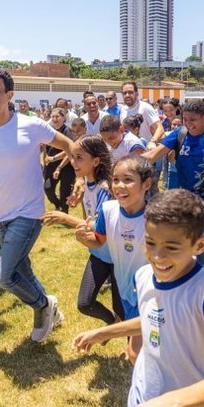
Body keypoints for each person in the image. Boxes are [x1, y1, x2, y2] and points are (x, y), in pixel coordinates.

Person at [72, 189, 204, 407]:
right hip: (144, 402)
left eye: (171, 247)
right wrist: (104, 332)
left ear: (200, 245)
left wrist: (171, 401)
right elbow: (154, 316)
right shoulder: (143, 276)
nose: (157, 256)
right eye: (150, 243)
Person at [0, 68, 74, 343]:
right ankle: (50, 305)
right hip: (2, 214)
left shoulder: (31, 125)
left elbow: (70, 145)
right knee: (21, 269)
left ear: (9, 95)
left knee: (2, 275)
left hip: (30, 212)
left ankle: (42, 306)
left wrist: (82, 180)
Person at [76, 155, 153, 362]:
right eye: (116, 179)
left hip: (149, 293)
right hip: (124, 288)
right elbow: (99, 241)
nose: (119, 186)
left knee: (139, 354)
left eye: (128, 179)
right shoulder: (108, 210)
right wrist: (85, 239)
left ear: (146, 184)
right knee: (135, 349)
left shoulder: (155, 218)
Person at [42, 136, 123, 324]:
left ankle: (130, 348)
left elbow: (100, 226)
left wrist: (65, 218)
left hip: (117, 257)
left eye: (79, 157)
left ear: (96, 161)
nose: (73, 162)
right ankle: (112, 324)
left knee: (123, 308)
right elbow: (90, 217)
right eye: (72, 156)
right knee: (85, 304)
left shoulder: (106, 188)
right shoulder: (87, 182)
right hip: (98, 253)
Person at [144, 100, 204, 272]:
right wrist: (125, 162)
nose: (189, 124)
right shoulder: (179, 134)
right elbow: (153, 155)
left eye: (193, 120)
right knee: (187, 235)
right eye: (185, 120)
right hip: (186, 197)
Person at [43, 107, 75, 213]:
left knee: (64, 191)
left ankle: (64, 212)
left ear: (63, 117)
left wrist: (57, 165)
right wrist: (46, 162)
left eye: (57, 116)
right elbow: (45, 148)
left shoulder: (68, 131)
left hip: (66, 166)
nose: (54, 119)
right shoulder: (49, 131)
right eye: (52, 116)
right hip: (51, 166)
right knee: (48, 188)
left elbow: (69, 150)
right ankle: (57, 204)